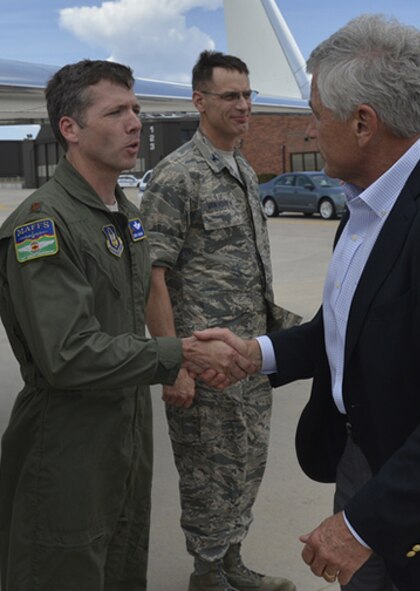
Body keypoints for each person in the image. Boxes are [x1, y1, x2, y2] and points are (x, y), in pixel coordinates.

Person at [194, 14, 420, 591]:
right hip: (358, 456)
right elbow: (348, 326)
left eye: (316, 114)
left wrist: (360, 525)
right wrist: (259, 353)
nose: (308, 130)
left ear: (362, 124)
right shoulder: (362, 209)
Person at [0, 59, 255, 591]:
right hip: (68, 442)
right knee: (64, 568)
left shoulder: (126, 213)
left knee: (121, 566)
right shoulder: (42, 224)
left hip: (126, 434)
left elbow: (149, 296)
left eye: (136, 109)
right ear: (69, 129)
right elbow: (68, 354)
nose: (135, 122)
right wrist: (176, 355)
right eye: (115, 111)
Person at [140, 50, 300, 591]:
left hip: (247, 359)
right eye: (230, 95)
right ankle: (206, 575)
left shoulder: (245, 171)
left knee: (246, 465)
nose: (243, 105)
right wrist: (173, 366)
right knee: (208, 475)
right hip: (203, 366)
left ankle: (233, 562)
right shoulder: (176, 176)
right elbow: (152, 278)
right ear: (199, 100)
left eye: (248, 94)